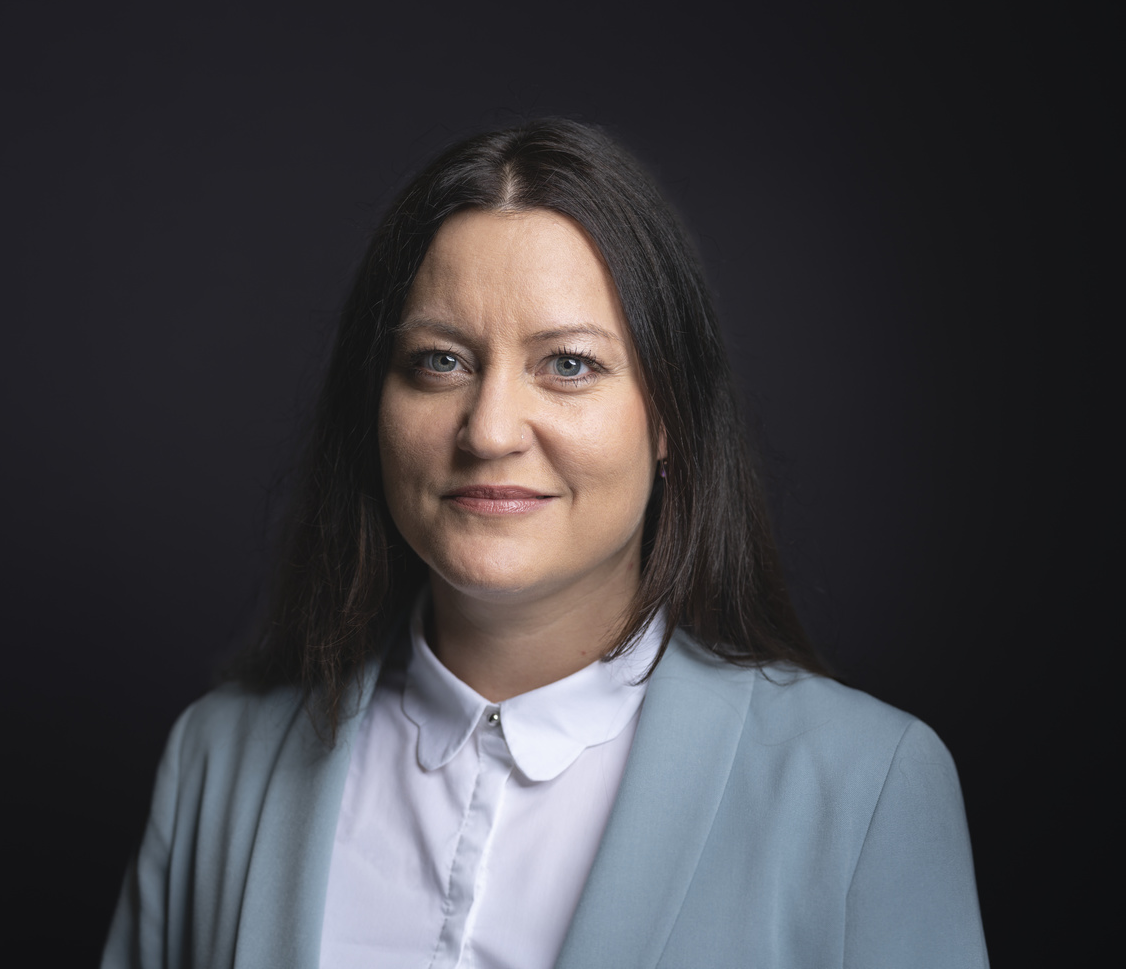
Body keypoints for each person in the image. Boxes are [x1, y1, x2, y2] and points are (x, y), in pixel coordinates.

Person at [102, 119, 989, 969]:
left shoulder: (865, 788)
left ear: (670, 418)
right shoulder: (218, 757)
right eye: (440, 360)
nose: (489, 430)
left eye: (568, 364)